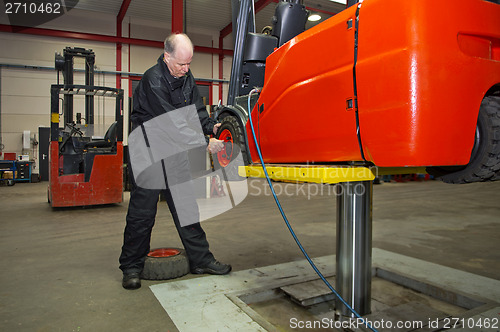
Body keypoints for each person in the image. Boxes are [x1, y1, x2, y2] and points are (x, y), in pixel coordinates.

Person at [119, 33, 231, 290]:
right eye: (181, 64)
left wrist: (212, 126)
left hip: (174, 152)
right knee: (142, 213)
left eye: (189, 64)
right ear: (166, 56)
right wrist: (204, 142)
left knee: (186, 208)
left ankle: (201, 260)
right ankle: (132, 266)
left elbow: (195, 111)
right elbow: (171, 121)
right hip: (148, 153)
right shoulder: (153, 80)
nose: (186, 69)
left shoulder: (186, 77)